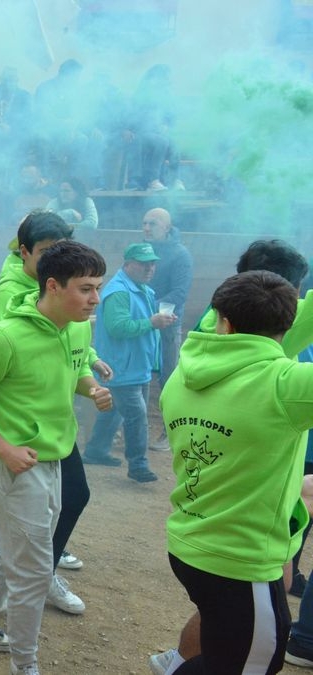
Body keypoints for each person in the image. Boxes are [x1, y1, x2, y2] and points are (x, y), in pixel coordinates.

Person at [0, 240, 112, 675]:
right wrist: (3, 448)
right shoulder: (6, 337)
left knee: (21, 550)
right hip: (14, 467)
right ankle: (25, 665)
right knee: (34, 572)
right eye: (86, 289)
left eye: (98, 287)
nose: (95, 299)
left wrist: (91, 388)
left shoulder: (77, 327)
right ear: (53, 286)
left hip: (52, 458)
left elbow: (77, 367)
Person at [156, 270, 308, 674]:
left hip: (189, 542)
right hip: (239, 562)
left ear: (222, 321)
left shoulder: (183, 374)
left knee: (223, 657)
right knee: (252, 667)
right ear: (289, 325)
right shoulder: (286, 385)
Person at [84, 242, 174, 482]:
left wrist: (156, 322)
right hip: (121, 366)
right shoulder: (119, 292)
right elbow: (117, 327)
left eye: (152, 264)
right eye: (144, 264)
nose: (150, 268)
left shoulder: (141, 289)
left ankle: (95, 451)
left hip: (134, 365)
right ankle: (138, 465)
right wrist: (151, 323)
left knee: (114, 410)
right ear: (128, 264)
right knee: (136, 416)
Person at [143, 207, 192, 448]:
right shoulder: (141, 250)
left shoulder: (180, 254)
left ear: (167, 227)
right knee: (137, 372)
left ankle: (170, 432)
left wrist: (147, 307)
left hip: (168, 323)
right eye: (144, 223)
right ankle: (133, 427)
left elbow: (179, 293)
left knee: (169, 377)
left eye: (152, 223)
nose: (147, 228)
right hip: (143, 321)